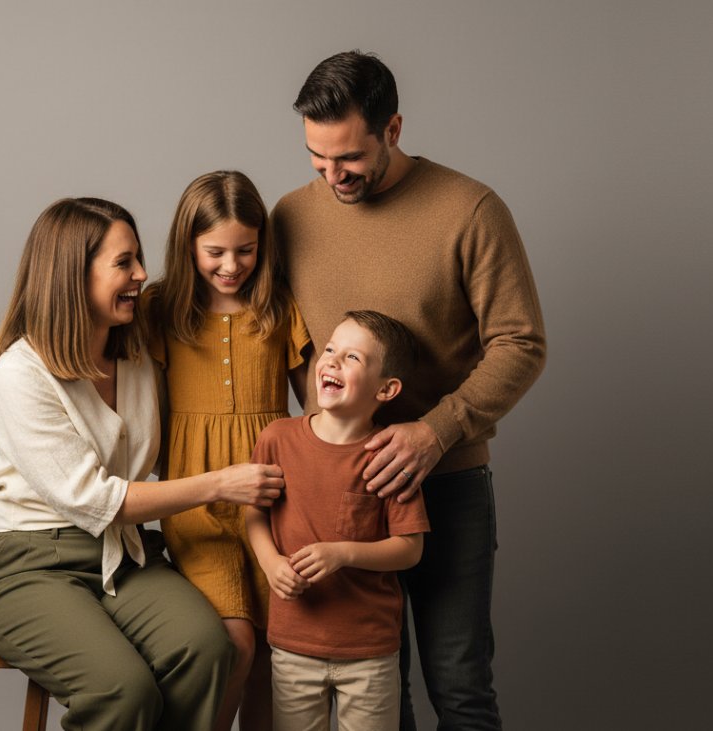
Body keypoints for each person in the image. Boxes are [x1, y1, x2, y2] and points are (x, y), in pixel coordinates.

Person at [272, 51, 547, 730]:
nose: (332, 176)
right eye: (317, 159)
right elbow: (283, 341)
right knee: (377, 690)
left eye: (349, 159)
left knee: (458, 682)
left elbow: (521, 341)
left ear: (393, 129)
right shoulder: (289, 217)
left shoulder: (471, 209)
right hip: (343, 492)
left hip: (448, 481)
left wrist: (436, 430)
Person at [0, 197, 286, 731]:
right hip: (30, 565)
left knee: (210, 652)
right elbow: (98, 501)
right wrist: (220, 485)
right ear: (74, 275)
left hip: (126, 557)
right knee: (123, 691)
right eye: (124, 263)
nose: (143, 274)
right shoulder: (21, 372)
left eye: (138, 258)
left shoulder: (137, 351)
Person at [143, 170, 311, 731]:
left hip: (274, 502)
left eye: (246, 250)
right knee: (234, 642)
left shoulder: (279, 307)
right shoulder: (158, 310)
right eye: (215, 251)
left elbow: (314, 411)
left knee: (272, 653)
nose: (232, 265)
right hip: (196, 505)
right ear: (188, 244)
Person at [246, 310, 430, 731]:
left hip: (369, 651)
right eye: (330, 350)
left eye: (353, 358)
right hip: (294, 644)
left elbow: (409, 548)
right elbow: (254, 515)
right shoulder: (277, 439)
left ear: (387, 389)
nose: (331, 361)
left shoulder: (389, 456)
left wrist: (342, 554)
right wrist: (271, 563)